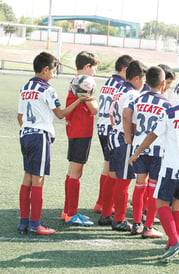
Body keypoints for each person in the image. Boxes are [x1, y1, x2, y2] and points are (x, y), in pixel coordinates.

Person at [129, 78, 179, 263]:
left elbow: (153, 135)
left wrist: (137, 152)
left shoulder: (171, 113)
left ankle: (174, 242)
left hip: (172, 167)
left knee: (161, 204)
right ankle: (171, 243)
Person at [17, 52, 89, 235]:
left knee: (27, 177)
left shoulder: (25, 87)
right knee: (38, 180)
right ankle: (35, 224)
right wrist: (79, 100)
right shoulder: (47, 89)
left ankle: (23, 221)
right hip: (39, 136)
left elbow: (20, 116)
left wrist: (29, 128)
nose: (53, 75)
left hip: (25, 134)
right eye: (53, 71)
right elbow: (60, 114)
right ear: (45, 69)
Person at [98, 60, 146, 231]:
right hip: (122, 137)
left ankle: (105, 214)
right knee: (123, 180)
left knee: (112, 176)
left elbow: (112, 112)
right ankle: (119, 219)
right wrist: (129, 137)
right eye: (142, 80)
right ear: (136, 78)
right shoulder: (132, 93)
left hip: (113, 134)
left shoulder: (119, 90)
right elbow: (127, 114)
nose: (143, 84)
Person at [125, 66, 171, 237]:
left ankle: (136, 223)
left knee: (139, 185)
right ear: (163, 83)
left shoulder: (138, 99)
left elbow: (132, 121)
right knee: (153, 188)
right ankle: (148, 226)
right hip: (157, 149)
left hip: (139, 147)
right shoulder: (167, 104)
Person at [63, 51, 99, 226]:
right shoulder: (85, 82)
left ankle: (67, 210)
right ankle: (72, 213)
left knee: (71, 171)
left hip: (73, 128)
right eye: (94, 69)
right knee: (77, 172)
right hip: (82, 129)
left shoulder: (73, 80)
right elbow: (94, 109)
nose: (94, 73)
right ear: (87, 67)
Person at [96, 55, 133, 219]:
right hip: (114, 129)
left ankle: (102, 204)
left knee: (108, 168)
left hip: (103, 127)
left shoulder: (108, 82)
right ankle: (106, 205)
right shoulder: (123, 86)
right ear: (125, 70)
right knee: (115, 172)